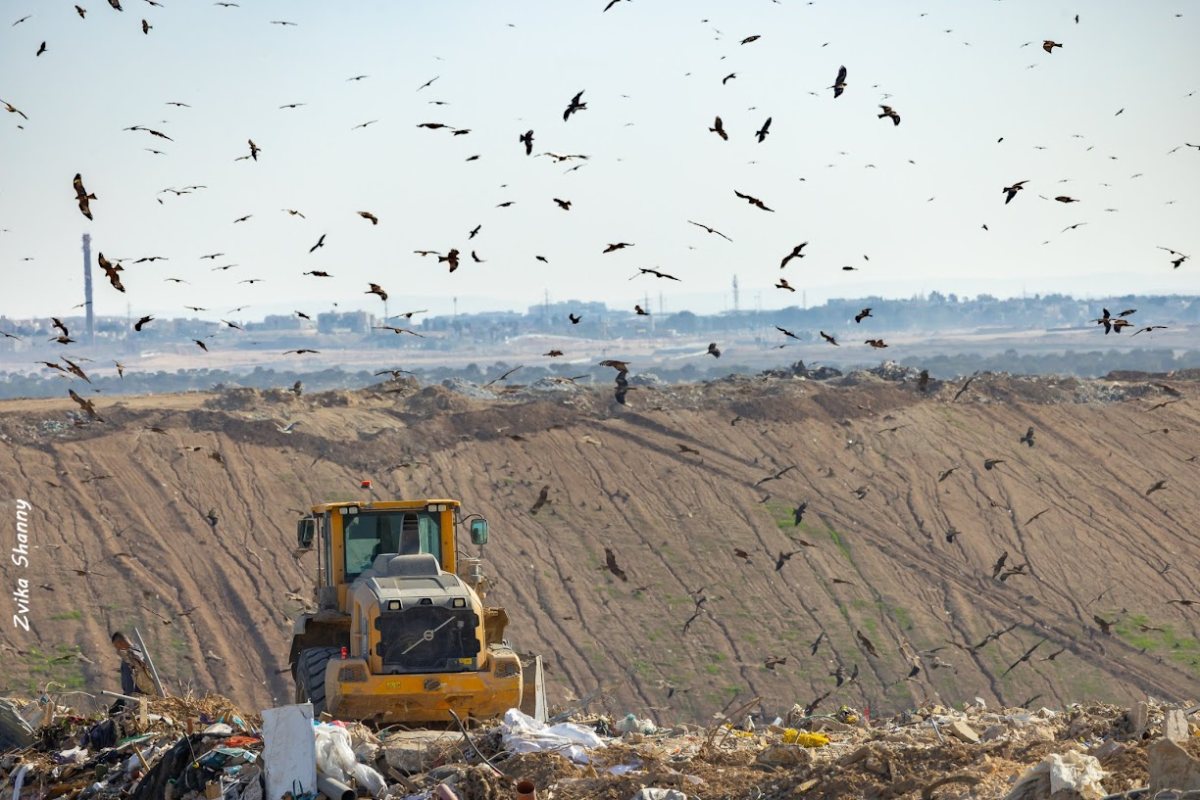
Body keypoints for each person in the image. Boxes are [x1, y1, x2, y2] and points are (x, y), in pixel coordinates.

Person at [109, 631, 160, 713]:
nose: (117, 650)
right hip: (144, 693)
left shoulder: (129, 657)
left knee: (114, 712)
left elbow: (129, 680)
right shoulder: (140, 652)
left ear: (121, 643)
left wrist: (129, 699)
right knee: (114, 710)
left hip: (137, 695)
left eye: (117, 647)